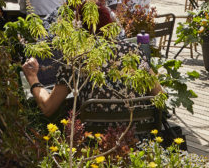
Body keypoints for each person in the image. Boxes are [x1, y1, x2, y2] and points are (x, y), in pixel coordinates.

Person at [21, 37, 162, 117]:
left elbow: (48, 107)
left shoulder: (77, 57)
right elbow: (160, 97)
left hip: (93, 142)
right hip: (138, 135)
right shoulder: (134, 52)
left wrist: (33, 78)